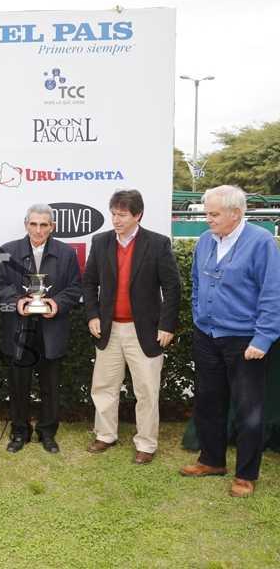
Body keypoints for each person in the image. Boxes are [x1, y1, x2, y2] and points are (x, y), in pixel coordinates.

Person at [180, 185, 280, 497]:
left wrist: (263, 339)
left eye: (213, 214)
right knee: (209, 402)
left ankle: (246, 475)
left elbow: (272, 294)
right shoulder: (206, 240)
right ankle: (212, 461)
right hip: (207, 336)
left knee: (249, 409)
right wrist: (199, 317)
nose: (207, 219)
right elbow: (197, 283)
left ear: (236, 213)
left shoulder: (261, 242)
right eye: (206, 213)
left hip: (245, 340)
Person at [82, 189, 180, 464]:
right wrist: (92, 315)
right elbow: (89, 282)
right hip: (109, 330)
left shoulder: (158, 244)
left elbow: (173, 288)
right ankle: (105, 434)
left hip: (145, 331)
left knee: (147, 391)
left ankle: (146, 444)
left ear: (138, 215)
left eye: (122, 215)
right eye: (113, 214)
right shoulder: (100, 242)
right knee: (103, 387)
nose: (116, 219)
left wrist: (167, 325)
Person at [0, 203, 82, 454]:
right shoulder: (7, 251)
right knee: (18, 385)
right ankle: (19, 431)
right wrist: (17, 301)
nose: (38, 230)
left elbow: (75, 288)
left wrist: (56, 303)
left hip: (52, 330)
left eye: (44, 225)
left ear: (52, 226)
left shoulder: (66, 254)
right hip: (19, 330)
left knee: (50, 386)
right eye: (34, 224)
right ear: (25, 224)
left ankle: (47, 433)